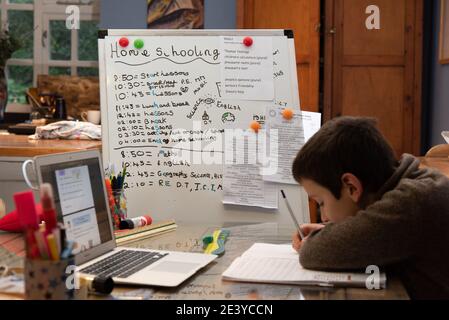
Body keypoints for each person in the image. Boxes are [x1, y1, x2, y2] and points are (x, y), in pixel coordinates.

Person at [291, 116, 449, 299]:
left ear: (352, 187)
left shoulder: (410, 204)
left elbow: (312, 252)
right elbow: (380, 230)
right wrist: (331, 230)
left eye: (321, 203)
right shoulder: (415, 183)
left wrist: (318, 240)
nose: (324, 217)